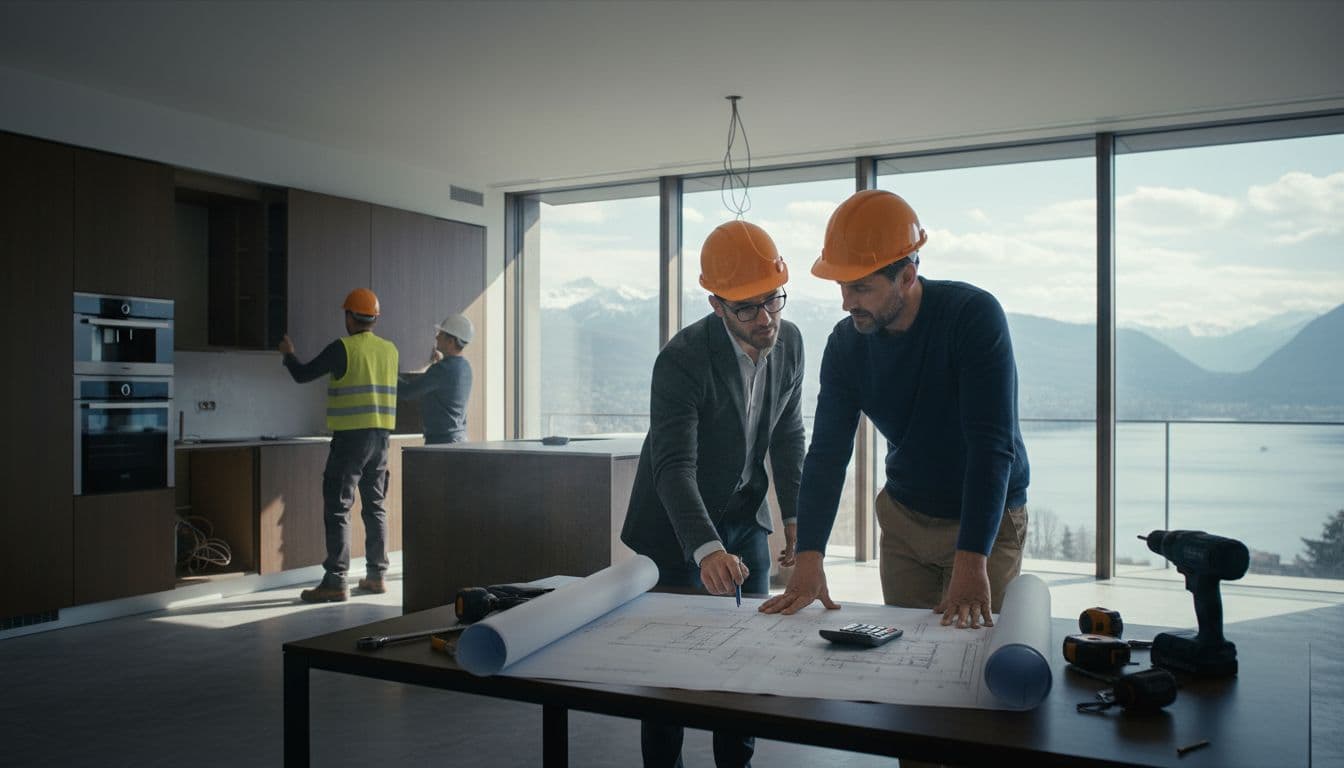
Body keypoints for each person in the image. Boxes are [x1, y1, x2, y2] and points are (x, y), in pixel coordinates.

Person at [761, 189, 1030, 633]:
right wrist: (809, 556)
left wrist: (973, 559)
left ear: (906, 276)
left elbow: (991, 446)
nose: (847, 302)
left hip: (988, 521)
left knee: (973, 658)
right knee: (907, 658)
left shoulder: (973, 317)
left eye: (861, 287)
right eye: (842, 286)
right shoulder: (846, 345)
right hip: (906, 520)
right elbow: (827, 454)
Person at [620, 219, 807, 768]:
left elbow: (790, 434)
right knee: (668, 670)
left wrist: (796, 515)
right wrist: (705, 549)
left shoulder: (790, 342)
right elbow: (673, 466)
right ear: (716, 304)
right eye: (747, 308)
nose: (765, 318)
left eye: (772, 300)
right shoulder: (682, 358)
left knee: (744, 658)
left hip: (745, 519)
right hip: (674, 528)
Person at [279, 287, 400, 603]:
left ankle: (336, 580)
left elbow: (303, 374)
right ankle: (376, 576)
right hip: (381, 440)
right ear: (374, 318)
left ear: (349, 316)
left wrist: (288, 353)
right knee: (375, 507)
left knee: (338, 507)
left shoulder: (342, 348)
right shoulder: (390, 350)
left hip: (350, 441)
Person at [398, 312, 474, 445]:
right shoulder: (465, 367)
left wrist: (388, 374)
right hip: (458, 439)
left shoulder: (442, 370)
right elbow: (446, 386)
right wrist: (438, 364)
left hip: (441, 442)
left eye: (441, 334)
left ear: (451, 342)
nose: (436, 336)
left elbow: (407, 392)